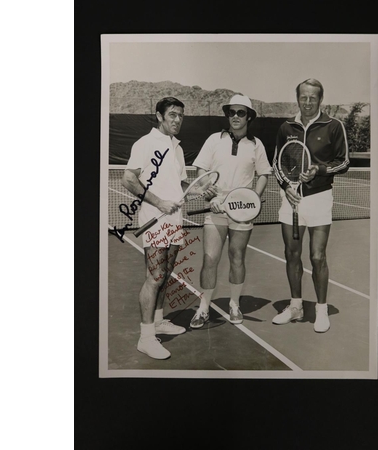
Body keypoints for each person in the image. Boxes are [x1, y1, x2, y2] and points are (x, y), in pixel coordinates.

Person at [272, 79, 349, 333]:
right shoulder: (286, 127)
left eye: (312, 98)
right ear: (297, 99)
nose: (307, 102)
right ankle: (295, 306)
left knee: (317, 257)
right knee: (292, 254)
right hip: (291, 200)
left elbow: (344, 162)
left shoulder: (333, 126)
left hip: (319, 199)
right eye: (303, 97)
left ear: (320, 99)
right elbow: (277, 164)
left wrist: (319, 170)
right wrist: (286, 188)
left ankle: (321, 309)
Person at [189, 94, 272, 328]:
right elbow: (202, 170)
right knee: (210, 258)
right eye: (231, 112)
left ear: (249, 117)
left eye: (241, 112)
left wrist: (254, 199)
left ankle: (234, 304)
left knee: (237, 258)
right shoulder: (214, 139)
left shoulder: (256, 145)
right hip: (215, 209)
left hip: (242, 211)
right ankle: (204, 308)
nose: (235, 116)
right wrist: (209, 193)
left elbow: (264, 173)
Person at [121, 97, 190, 359]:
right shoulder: (145, 143)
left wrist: (202, 191)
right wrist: (159, 202)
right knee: (155, 277)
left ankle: (159, 321)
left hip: (174, 220)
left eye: (180, 115)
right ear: (159, 116)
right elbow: (128, 178)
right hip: (154, 219)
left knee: (167, 273)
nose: (177, 120)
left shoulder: (177, 148)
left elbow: (182, 186)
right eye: (172, 115)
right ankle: (146, 338)